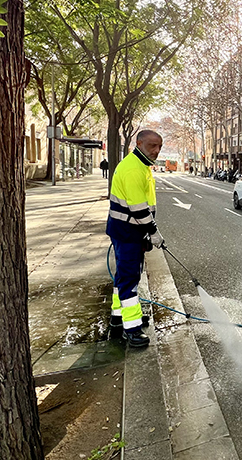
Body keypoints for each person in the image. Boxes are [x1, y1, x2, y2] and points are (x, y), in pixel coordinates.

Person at [106, 129, 165, 348]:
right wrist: (154, 232)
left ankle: (117, 317)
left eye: (159, 146)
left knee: (122, 276)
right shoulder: (132, 169)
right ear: (138, 143)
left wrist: (147, 233)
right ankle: (132, 329)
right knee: (130, 280)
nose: (157, 150)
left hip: (130, 232)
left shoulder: (142, 165)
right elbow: (139, 209)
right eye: (152, 145)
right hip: (128, 232)